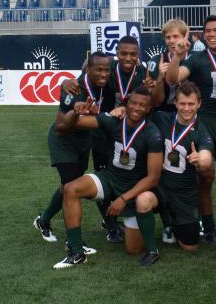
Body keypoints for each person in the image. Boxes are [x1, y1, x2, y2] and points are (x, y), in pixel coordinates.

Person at [52, 86, 164, 269]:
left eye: (142, 105)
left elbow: (153, 178)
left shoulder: (153, 134)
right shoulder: (114, 120)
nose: (136, 108)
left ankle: (147, 237)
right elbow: (73, 123)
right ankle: (76, 251)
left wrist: (123, 199)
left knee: (133, 249)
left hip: (133, 190)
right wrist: (75, 111)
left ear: (148, 109)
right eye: (133, 103)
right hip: (110, 178)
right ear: (126, 103)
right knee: (70, 188)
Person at [165, 15, 216, 244]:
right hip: (201, 127)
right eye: (207, 31)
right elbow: (172, 79)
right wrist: (177, 56)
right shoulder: (197, 59)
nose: (212, 35)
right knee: (206, 179)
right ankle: (208, 226)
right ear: (202, 35)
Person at [34, 52, 110, 254]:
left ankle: (43, 220)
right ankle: (73, 241)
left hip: (84, 141)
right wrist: (75, 113)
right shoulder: (74, 88)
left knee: (68, 187)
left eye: (106, 69)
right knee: (72, 187)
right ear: (88, 70)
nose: (104, 74)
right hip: (64, 143)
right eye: (99, 70)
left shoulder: (105, 83)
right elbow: (60, 126)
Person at [131, 81, 214, 265]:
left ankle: (172, 223)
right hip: (160, 186)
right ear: (175, 103)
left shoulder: (201, 131)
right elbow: (139, 110)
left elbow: (207, 157)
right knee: (143, 200)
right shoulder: (163, 118)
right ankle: (153, 250)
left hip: (185, 193)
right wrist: (121, 110)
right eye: (182, 103)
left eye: (191, 104)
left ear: (199, 104)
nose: (186, 108)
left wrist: (201, 159)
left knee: (190, 246)